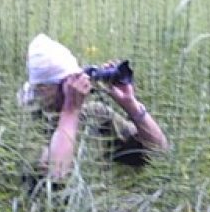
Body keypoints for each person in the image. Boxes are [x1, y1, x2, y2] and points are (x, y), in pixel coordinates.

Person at [19, 34, 169, 182]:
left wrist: (131, 105)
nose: (75, 88)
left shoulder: (94, 115)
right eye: (68, 83)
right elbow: (55, 179)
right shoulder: (28, 127)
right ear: (44, 89)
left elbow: (159, 152)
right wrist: (70, 112)